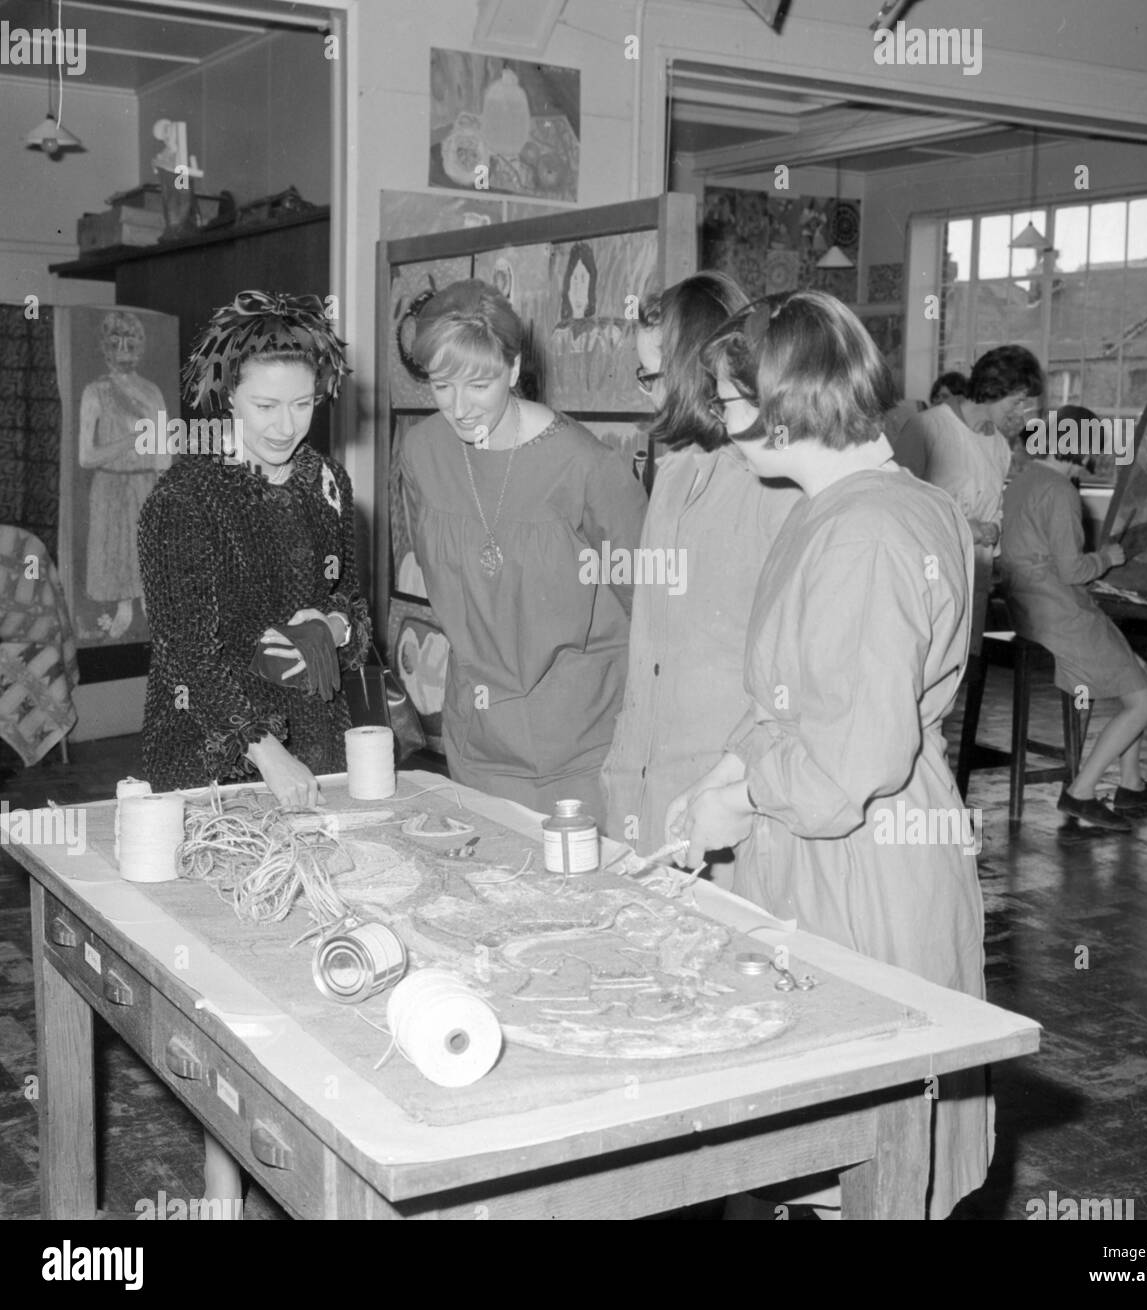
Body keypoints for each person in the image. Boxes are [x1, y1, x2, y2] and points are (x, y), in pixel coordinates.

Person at [664, 290, 991, 1219]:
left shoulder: (867, 531)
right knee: (815, 1156)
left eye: (731, 405)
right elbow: (793, 703)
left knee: (851, 1156)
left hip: (856, 858)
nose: (725, 431)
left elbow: (852, 757)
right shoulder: (864, 503)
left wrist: (741, 797)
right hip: (833, 841)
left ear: (784, 400)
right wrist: (721, 781)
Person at [398, 279, 647, 818]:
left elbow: (648, 608)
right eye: (442, 386)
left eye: (479, 384)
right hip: (478, 737)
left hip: (581, 746)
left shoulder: (588, 468)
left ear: (513, 371)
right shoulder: (421, 455)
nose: (459, 408)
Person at [138, 291, 369, 808]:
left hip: (317, 738)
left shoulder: (327, 481)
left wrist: (331, 628)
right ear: (228, 397)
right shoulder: (184, 500)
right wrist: (266, 751)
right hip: (213, 757)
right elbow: (188, 656)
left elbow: (349, 600)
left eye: (303, 404)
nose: (286, 427)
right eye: (265, 406)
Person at [600, 272, 799, 866]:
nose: (646, 393)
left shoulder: (777, 486)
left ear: (696, 367)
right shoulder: (676, 471)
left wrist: (727, 790)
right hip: (643, 781)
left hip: (721, 796)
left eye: (653, 375)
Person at [999, 405, 1147, 830]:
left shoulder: (1022, 481)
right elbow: (1073, 570)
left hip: (1031, 610)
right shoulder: (1059, 489)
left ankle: (1131, 783)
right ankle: (1081, 792)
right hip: (1061, 617)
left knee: (1144, 675)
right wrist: (1108, 557)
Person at [892, 344, 1044, 651]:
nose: (1020, 412)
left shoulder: (999, 446)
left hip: (974, 577)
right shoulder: (928, 428)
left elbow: (994, 507)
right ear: (993, 389)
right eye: (1016, 402)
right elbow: (898, 506)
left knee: (958, 672)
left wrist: (995, 528)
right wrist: (964, 526)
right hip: (924, 581)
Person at [78, 311, 169, 641]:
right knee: (116, 552)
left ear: (140, 347)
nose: (124, 349)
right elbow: (86, 457)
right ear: (105, 347)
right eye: (116, 342)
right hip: (110, 485)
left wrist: (165, 492)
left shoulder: (151, 391)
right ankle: (123, 607)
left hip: (146, 484)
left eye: (131, 342)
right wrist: (129, 441)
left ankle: (149, 605)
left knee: (146, 549)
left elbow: (163, 451)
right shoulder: (95, 392)